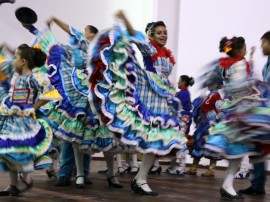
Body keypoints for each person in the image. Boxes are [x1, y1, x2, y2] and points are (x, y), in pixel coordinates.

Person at [87, 10, 187, 196]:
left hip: (163, 98)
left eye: (165, 32)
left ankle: (140, 179)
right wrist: (124, 18)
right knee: (151, 139)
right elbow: (134, 35)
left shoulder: (167, 54)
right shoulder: (149, 49)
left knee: (156, 140)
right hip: (149, 96)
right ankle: (139, 179)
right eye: (159, 32)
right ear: (150, 35)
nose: (163, 35)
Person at [204, 36, 270, 200]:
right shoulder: (240, 64)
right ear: (240, 50)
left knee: (237, 150)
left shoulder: (224, 64)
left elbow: (211, 83)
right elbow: (239, 86)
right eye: (245, 48)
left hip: (232, 109)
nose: (246, 50)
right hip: (241, 112)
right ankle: (227, 185)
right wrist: (253, 85)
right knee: (238, 150)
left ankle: (228, 184)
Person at [0, 44, 62, 196]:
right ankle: (13, 184)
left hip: (24, 122)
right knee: (8, 150)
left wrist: (34, 107)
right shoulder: (16, 76)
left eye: (16, 58)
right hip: (11, 117)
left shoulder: (33, 78)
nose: (13, 61)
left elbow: (51, 93)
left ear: (23, 62)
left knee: (22, 149)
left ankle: (26, 179)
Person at [44, 16, 98, 187]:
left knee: (86, 132)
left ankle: (82, 173)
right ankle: (65, 173)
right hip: (74, 95)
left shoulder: (92, 48)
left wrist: (54, 19)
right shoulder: (76, 49)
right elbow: (58, 50)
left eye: (85, 30)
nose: (82, 32)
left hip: (87, 94)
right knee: (70, 134)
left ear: (91, 34)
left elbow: (70, 29)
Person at [239, 31, 270, 195]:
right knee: (258, 146)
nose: (261, 47)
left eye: (263, 43)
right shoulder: (267, 65)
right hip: (266, 111)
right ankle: (257, 185)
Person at [185, 73, 222, 177]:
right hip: (202, 124)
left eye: (212, 83)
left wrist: (210, 120)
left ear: (217, 84)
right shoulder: (208, 96)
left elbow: (219, 110)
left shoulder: (217, 96)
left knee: (211, 146)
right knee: (197, 143)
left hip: (209, 125)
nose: (209, 84)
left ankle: (211, 170)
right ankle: (194, 168)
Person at [166, 75, 195, 175]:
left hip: (182, 122)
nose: (178, 83)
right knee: (176, 143)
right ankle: (174, 166)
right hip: (181, 121)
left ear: (183, 83)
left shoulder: (184, 93)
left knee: (180, 143)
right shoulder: (183, 93)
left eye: (179, 81)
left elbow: (176, 104)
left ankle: (181, 167)